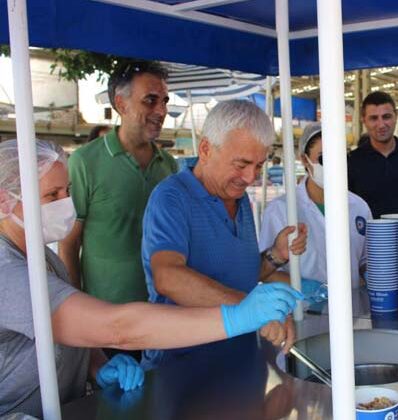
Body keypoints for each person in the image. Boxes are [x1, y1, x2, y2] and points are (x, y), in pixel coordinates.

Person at [0, 139, 302, 418]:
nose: (65, 203)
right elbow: (117, 327)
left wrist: (98, 366)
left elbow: (65, 329)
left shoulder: (43, 257)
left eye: (67, 191)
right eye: (52, 195)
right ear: (4, 200)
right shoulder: (7, 272)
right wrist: (237, 316)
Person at [141, 100, 308, 369]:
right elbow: (168, 277)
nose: (251, 177)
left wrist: (274, 256)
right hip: (181, 367)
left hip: (238, 359)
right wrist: (253, 310)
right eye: (241, 164)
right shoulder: (171, 197)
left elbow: (237, 276)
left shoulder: (240, 200)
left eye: (259, 166)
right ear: (206, 149)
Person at [60, 61, 177, 306]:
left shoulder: (168, 166)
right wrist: (78, 309)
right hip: (107, 317)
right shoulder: (84, 162)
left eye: (164, 101)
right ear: (121, 103)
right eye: (150, 100)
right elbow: (69, 244)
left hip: (162, 310)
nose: (161, 110)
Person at [260, 123, 371, 290]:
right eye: (324, 158)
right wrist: (306, 288)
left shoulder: (359, 207)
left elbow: (364, 260)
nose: (334, 164)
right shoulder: (280, 210)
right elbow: (265, 272)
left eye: (340, 156)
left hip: (352, 311)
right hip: (302, 311)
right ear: (304, 160)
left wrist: (372, 275)